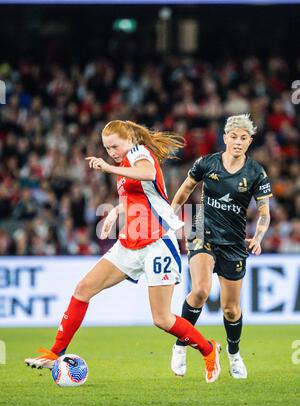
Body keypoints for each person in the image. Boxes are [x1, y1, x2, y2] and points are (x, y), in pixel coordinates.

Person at [25, 120, 221, 383]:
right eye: (107, 149)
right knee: (83, 289)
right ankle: (55, 352)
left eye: (115, 146)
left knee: (162, 319)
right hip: (129, 243)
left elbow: (148, 173)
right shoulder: (125, 164)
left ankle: (209, 350)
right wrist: (116, 211)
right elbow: (139, 196)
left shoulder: (138, 154)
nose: (111, 152)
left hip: (157, 243)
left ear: (129, 138)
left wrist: (108, 167)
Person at [171, 114, 272, 379]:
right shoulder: (206, 163)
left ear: (249, 142)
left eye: (244, 138)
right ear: (225, 137)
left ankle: (234, 354)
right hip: (202, 229)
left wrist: (258, 237)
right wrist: (170, 217)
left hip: (234, 241)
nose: (238, 142)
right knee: (201, 290)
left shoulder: (255, 173)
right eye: (234, 137)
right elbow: (184, 190)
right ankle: (180, 345)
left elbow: (264, 212)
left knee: (230, 308)